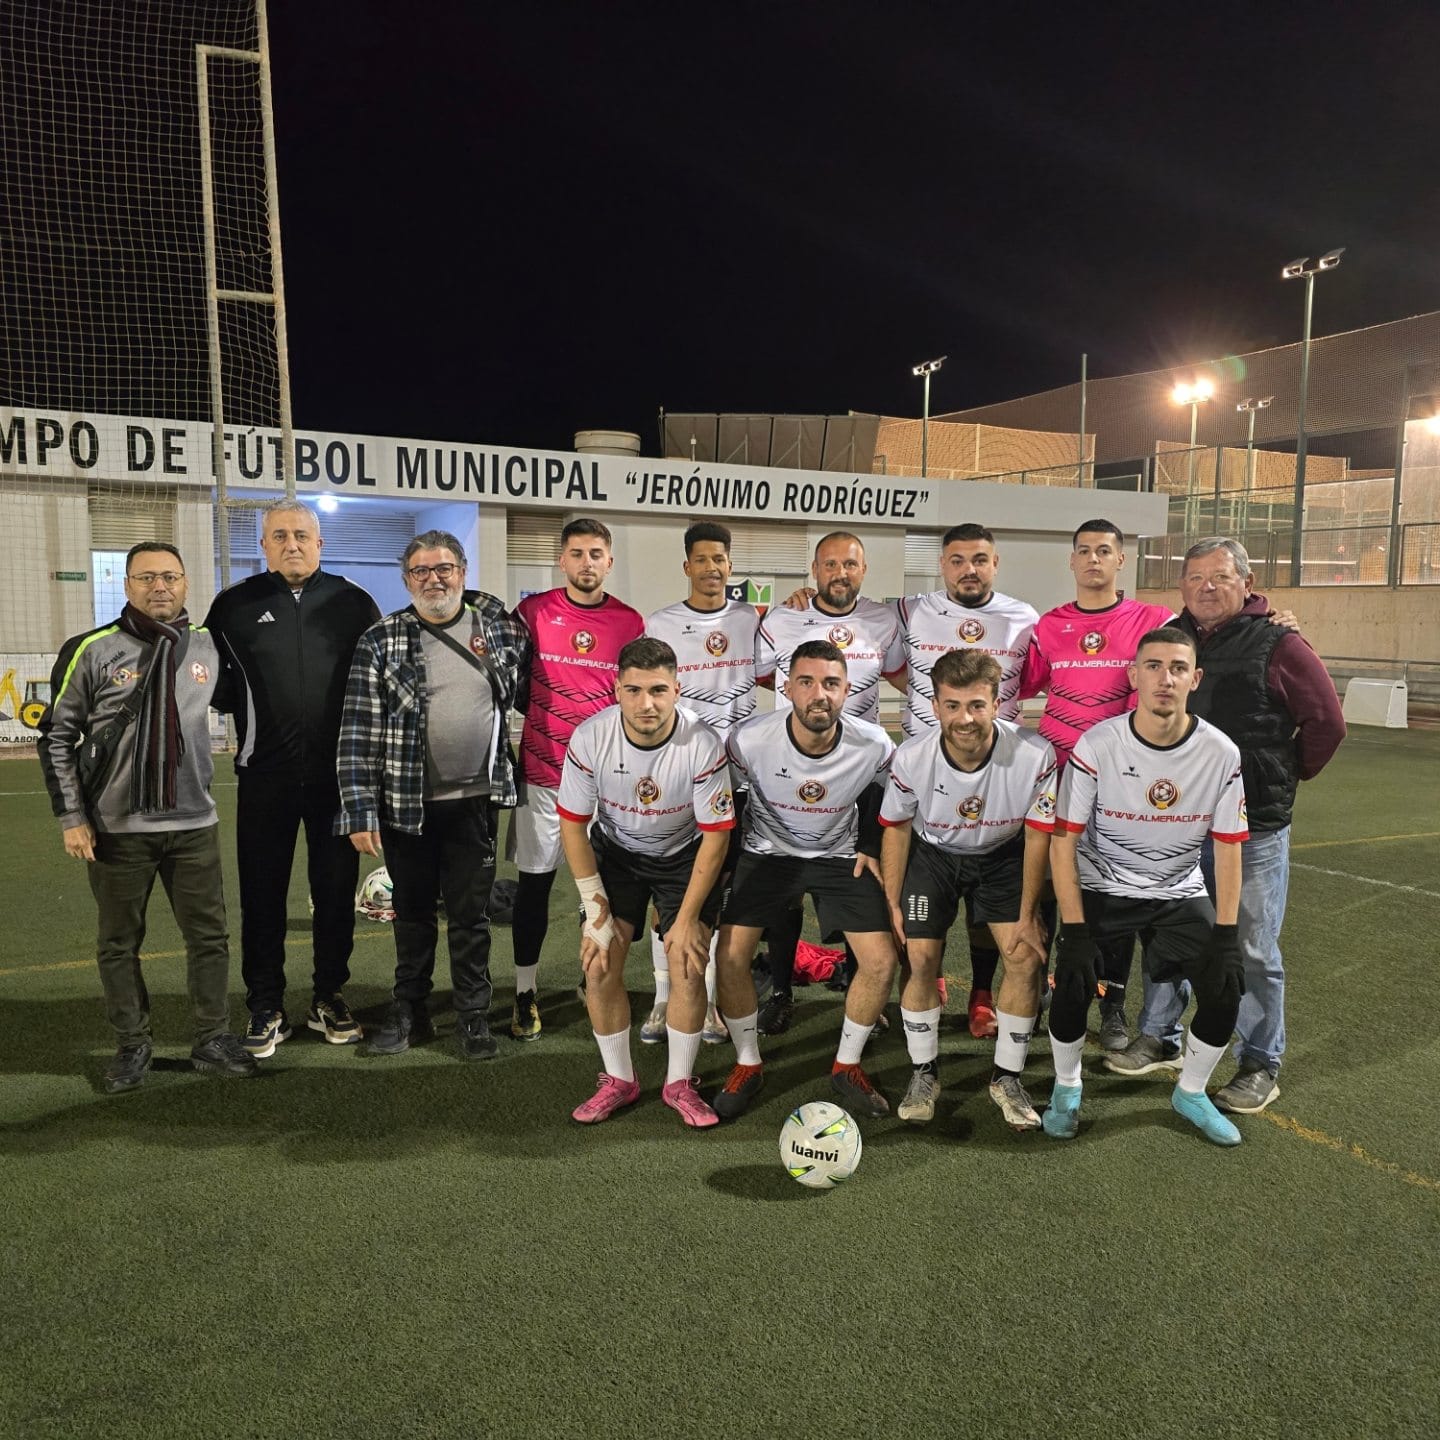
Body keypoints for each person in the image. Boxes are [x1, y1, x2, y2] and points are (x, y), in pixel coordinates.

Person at [1107, 539, 1344, 1114]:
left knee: (1252, 946)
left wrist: (1281, 775)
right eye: (1194, 578)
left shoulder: (1280, 643)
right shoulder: (1172, 637)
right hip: (1177, 824)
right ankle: (1158, 1036)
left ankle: (1260, 1061)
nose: (1206, 588)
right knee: (1170, 931)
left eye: (1219, 577)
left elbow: (1327, 723)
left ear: (1246, 581)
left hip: (1253, 828)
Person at [38, 542, 256, 1091]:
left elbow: (251, 704)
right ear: (127, 585)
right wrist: (71, 818)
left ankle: (211, 1039)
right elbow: (57, 738)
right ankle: (133, 1045)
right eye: (146, 578)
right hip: (117, 830)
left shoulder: (209, 647)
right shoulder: (92, 649)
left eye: (170, 577)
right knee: (119, 943)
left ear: (185, 584)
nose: (160, 587)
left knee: (210, 939)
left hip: (192, 825)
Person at [1044, 627, 1249, 1146]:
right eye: (1153, 666)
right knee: (1071, 978)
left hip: (1177, 891)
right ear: (1134, 676)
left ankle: (1192, 1092)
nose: (1165, 678)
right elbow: (1063, 842)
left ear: (1195, 679)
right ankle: (1067, 1088)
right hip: (1102, 884)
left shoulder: (1221, 753)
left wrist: (1225, 933)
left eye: (1178, 668)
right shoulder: (1099, 744)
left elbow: (1228, 847)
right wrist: (1074, 927)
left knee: (1227, 984)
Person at [336, 529, 530, 1060]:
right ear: (407, 580)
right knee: (414, 914)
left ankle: (472, 1016)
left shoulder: (497, 628)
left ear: (462, 573)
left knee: (471, 917)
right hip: (406, 804)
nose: (433, 579)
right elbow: (357, 731)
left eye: (444, 568)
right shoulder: (381, 638)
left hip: (477, 801)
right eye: (420, 571)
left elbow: (532, 689)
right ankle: (410, 1011)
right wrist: (359, 807)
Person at [204, 500, 380, 1058]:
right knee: (262, 894)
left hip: (338, 782)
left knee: (333, 893)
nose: (292, 544)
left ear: (321, 543)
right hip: (264, 776)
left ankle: (329, 994)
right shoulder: (233, 607)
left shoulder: (354, 604)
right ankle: (265, 1003)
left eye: (302, 535)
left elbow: (377, 687)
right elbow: (217, 687)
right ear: (264, 545)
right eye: (279, 536)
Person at [711, 640, 897, 1120]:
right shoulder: (748, 738)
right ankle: (747, 1063)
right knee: (730, 955)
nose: (820, 694)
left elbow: (883, 793)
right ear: (786, 686)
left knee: (879, 960)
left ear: (847, 690)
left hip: (838, 856)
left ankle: (847, 1065)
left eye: (831, 684)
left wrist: (870, 846)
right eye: (808, 682)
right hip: (767, 854)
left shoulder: (874, 743)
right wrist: (727, 863)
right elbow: (726, 796)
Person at [557, 638, 735, 1127]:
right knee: (598, 961)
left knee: (688, 961)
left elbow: (716, 838)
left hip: (684, 859)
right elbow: (573, 825)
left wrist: (690, 917)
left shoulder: (701, 742)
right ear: (616, 690)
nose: (646, 703)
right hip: (618, 856)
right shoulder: (591, 737)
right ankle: (619, 1079)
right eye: (633, 690)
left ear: (678, 689)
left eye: (658, 690)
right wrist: (595, 909)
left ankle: (679, 1083)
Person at [879, 650, 1056, 1128]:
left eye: (977, 705)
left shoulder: (1036, 754)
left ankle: (1006, 1077)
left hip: (1002, 857)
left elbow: (1039, 837)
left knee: (1024, 956)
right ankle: (924, 1072)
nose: (965, 718)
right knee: (918, 959)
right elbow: (894, 827)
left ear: (998, 704)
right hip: (933, 857)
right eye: (953, 705)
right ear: (934, 706)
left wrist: (1028, 911)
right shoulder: (912, 756)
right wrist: (894, 903)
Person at [1018, 519, 1173, 1052]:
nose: (1093, 560)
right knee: (1044, 891)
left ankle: (1110, 1006)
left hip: (1118, 780)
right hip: (1056, 776)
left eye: (1103, 551)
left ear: (1120, 560)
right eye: (1083, 551)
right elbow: (1020, 680)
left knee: (1110, 896)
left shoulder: (1151, 619)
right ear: (1072, 560)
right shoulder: (1049, 625)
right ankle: (1037, 992)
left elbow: (1193, 657)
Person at [755, 531, 904, 1031]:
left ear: (864, 570)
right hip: (791, 769)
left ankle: (862, 983)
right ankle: (779, 990)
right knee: (785, 885)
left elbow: (906, 677)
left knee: (859, 876)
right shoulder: (782, 618)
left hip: (859, 771)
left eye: (851, 564)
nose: (841, 573)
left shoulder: (884, 621)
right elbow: (762, 676)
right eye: (831, 564)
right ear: (814, 570)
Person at [896, 523, 1039, 1040]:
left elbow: (1042, 678)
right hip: (926, 778)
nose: (968, 569)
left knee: (986, 902)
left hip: (997, 773)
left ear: (995, 563)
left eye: (979, 559)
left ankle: (981, 993)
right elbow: (883, 655)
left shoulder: (1025, 618)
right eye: (957, 560)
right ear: (943, 565)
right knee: (925, 895)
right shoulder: (910, 610)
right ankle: (924, 980)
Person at [510, 518, 644, 1040]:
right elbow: (514, 682)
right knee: (534, 890)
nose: (586, 562)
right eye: (576, 553)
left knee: (603, 895)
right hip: (543, 777)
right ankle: (525, 992)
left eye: (596, 553)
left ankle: (599, 985)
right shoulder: (533, 613)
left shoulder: (630, 623)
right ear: (561, 560)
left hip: (607, 783)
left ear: (609, 562)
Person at [642, 521, 760, 1045]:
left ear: (730, 566)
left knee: (719, 891)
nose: (712, 568)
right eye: (703, 559)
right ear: (687, 566)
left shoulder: (754, 621)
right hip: (676, 776)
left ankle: (707, 999)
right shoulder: (660, 623)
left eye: (721, 559)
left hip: (737, 777)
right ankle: (663, 995)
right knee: (661, 891)